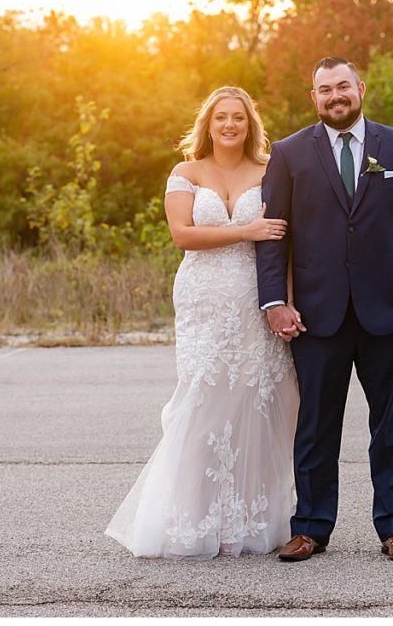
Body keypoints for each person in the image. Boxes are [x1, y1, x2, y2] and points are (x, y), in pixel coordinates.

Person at [255, 56, 393, 563]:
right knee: (316, 424)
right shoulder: (289, 154)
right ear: (313, 98)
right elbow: (274, 237)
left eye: (343, 86)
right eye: (324, 90)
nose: (335, 96)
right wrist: (275, 302)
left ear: (360, 88)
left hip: (390, 310)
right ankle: (311, 527)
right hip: (317, 315)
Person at [105, 87, 299, 558]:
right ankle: (193, 517)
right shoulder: (185, 172)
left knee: (259, 401)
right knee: (203, 401)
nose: (229, 125)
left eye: (238, 117)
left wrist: (286, 301)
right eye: (220, 118)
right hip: (204, 303)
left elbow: (287, 244)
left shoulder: (271, 170)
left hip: (257, 299)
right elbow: (182, 235)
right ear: (207, 125)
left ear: (250, 123)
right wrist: (246, 231)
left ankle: (252, 519)